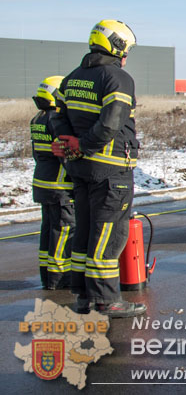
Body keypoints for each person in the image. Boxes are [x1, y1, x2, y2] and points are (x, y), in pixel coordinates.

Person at [51, 20, 145, 318]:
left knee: (85, 231)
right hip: (111, 170)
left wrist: (69, 143)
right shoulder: (117, 78)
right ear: (117, 46)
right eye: (126, 49)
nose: (126, 56)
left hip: (80, 169)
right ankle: (107, 300)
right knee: (109, 234)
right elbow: (111, 122)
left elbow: (57, 117)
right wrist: (83, 144)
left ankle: (83, 296)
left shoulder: (72, 78)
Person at [30, 76, 75, 290]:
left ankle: (47, 274)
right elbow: (64, 155)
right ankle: (59, 277)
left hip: (42, 182)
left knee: (48, 230)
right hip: (59, 187)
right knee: (63, 230)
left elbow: (37, 154)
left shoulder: (37, 119)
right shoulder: (56, 120)